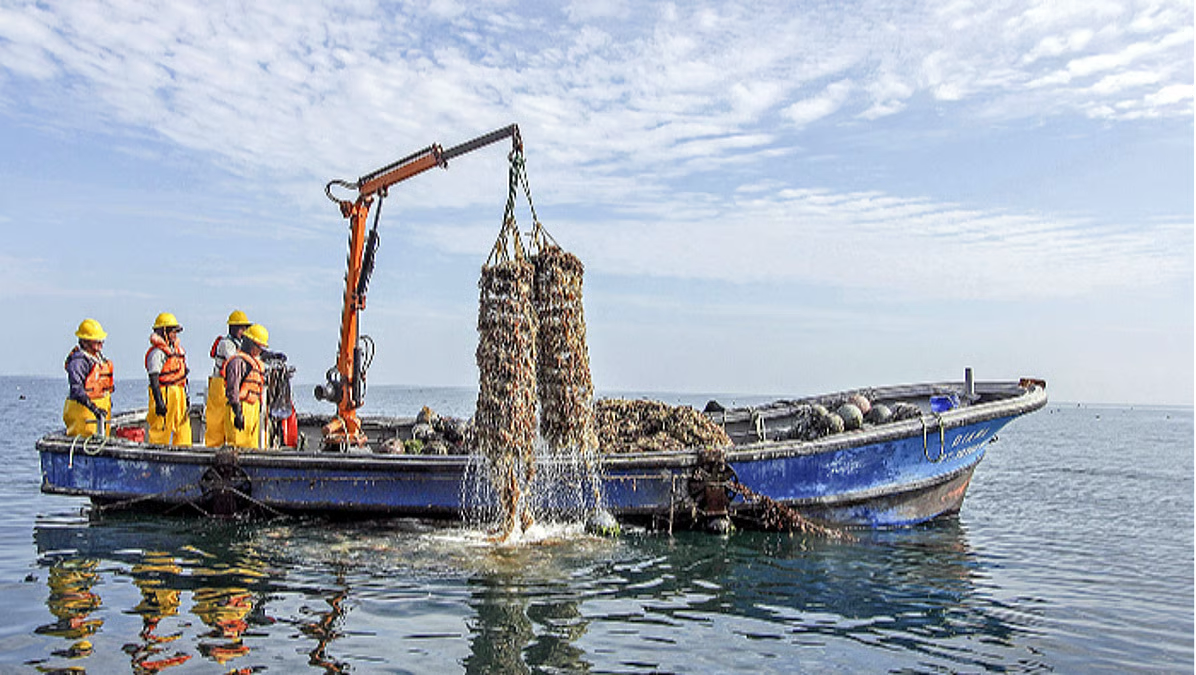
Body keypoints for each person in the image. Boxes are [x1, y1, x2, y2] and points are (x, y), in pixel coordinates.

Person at [204, 310, 252, 447]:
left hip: (231, 385)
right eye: (241, 328)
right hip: (219, 385)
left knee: (231, 419)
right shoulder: (226, 344)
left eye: (245, 328)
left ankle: (233, 446)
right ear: (232, 328)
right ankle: (213, 447)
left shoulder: (241, 344)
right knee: (216, 421)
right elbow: (234, 360)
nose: (243, 332)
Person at [145, 312, 192, 446]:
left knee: (183, 429)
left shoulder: (176, 351)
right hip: (164, 393)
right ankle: (157, 453)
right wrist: (159, 401)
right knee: (161, 429)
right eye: (172, 331)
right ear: (163, 332)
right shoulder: (157, 353)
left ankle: (184, 451)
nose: (174, 335)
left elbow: (183, 377)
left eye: (175, 332)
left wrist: (186, 398)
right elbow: (154, 378)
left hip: (179, 394)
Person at [63, 318, 114, 437]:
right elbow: (76, 389)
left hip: (101, 415)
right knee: (87, 438)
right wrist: (94, 409)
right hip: (84, 417)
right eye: (96, 340)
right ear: (85, 342)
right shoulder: (78, 362)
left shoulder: (98, 359)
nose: (101, 343)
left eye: (101, 340)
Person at [223, 323, 269, 449]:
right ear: (250, 343)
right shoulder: (237, 362)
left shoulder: (254, 362)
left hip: (252, 409)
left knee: (251, 447)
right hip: (240, 409)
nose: (260, 351)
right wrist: (237, 412)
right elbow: (232, 388)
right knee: (237, 446)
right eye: (259, 347)